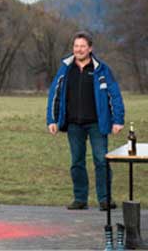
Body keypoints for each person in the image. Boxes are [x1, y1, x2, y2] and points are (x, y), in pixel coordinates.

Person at [46, 31, 125, 211]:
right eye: (76, 46)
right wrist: (52, 120)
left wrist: (118, 120)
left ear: (90, 48)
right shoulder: (65, 69)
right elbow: (54, 95)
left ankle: (105, 199)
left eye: (82, 46)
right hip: (74, 124)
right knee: (77, 162)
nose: (78, 50)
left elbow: (115, 95)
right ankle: (80, 199)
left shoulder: (102, 70)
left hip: (98, 123)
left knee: (101, 160)